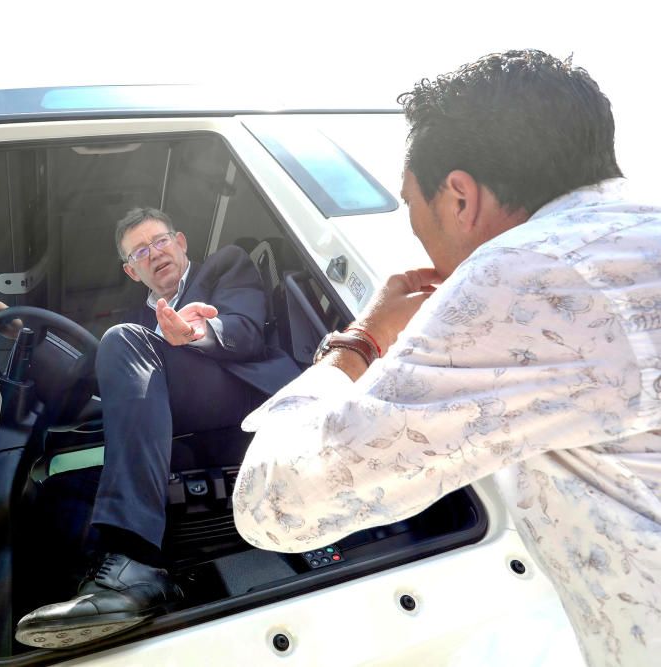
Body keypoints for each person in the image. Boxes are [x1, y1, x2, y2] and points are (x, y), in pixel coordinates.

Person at [232, 50, 660, 666]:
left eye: (411, 206)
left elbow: (275, 503)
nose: (415, 230)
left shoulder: (525, 275)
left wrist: (362, 340)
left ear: (459, 197)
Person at [0, 207, 300, 648]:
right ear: (132, 270)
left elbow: (245, 331)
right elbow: (95, 375)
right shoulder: (134, 320)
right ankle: (92, 584)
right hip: (180, 414)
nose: (155, 253)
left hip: (244, 391)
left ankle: (136, 560)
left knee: (121, 340)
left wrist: (195, 331)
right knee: (68, 480)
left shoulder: (226, 264)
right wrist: (23, 334)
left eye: (161, 241)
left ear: (181, 241)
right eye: (141, 251)